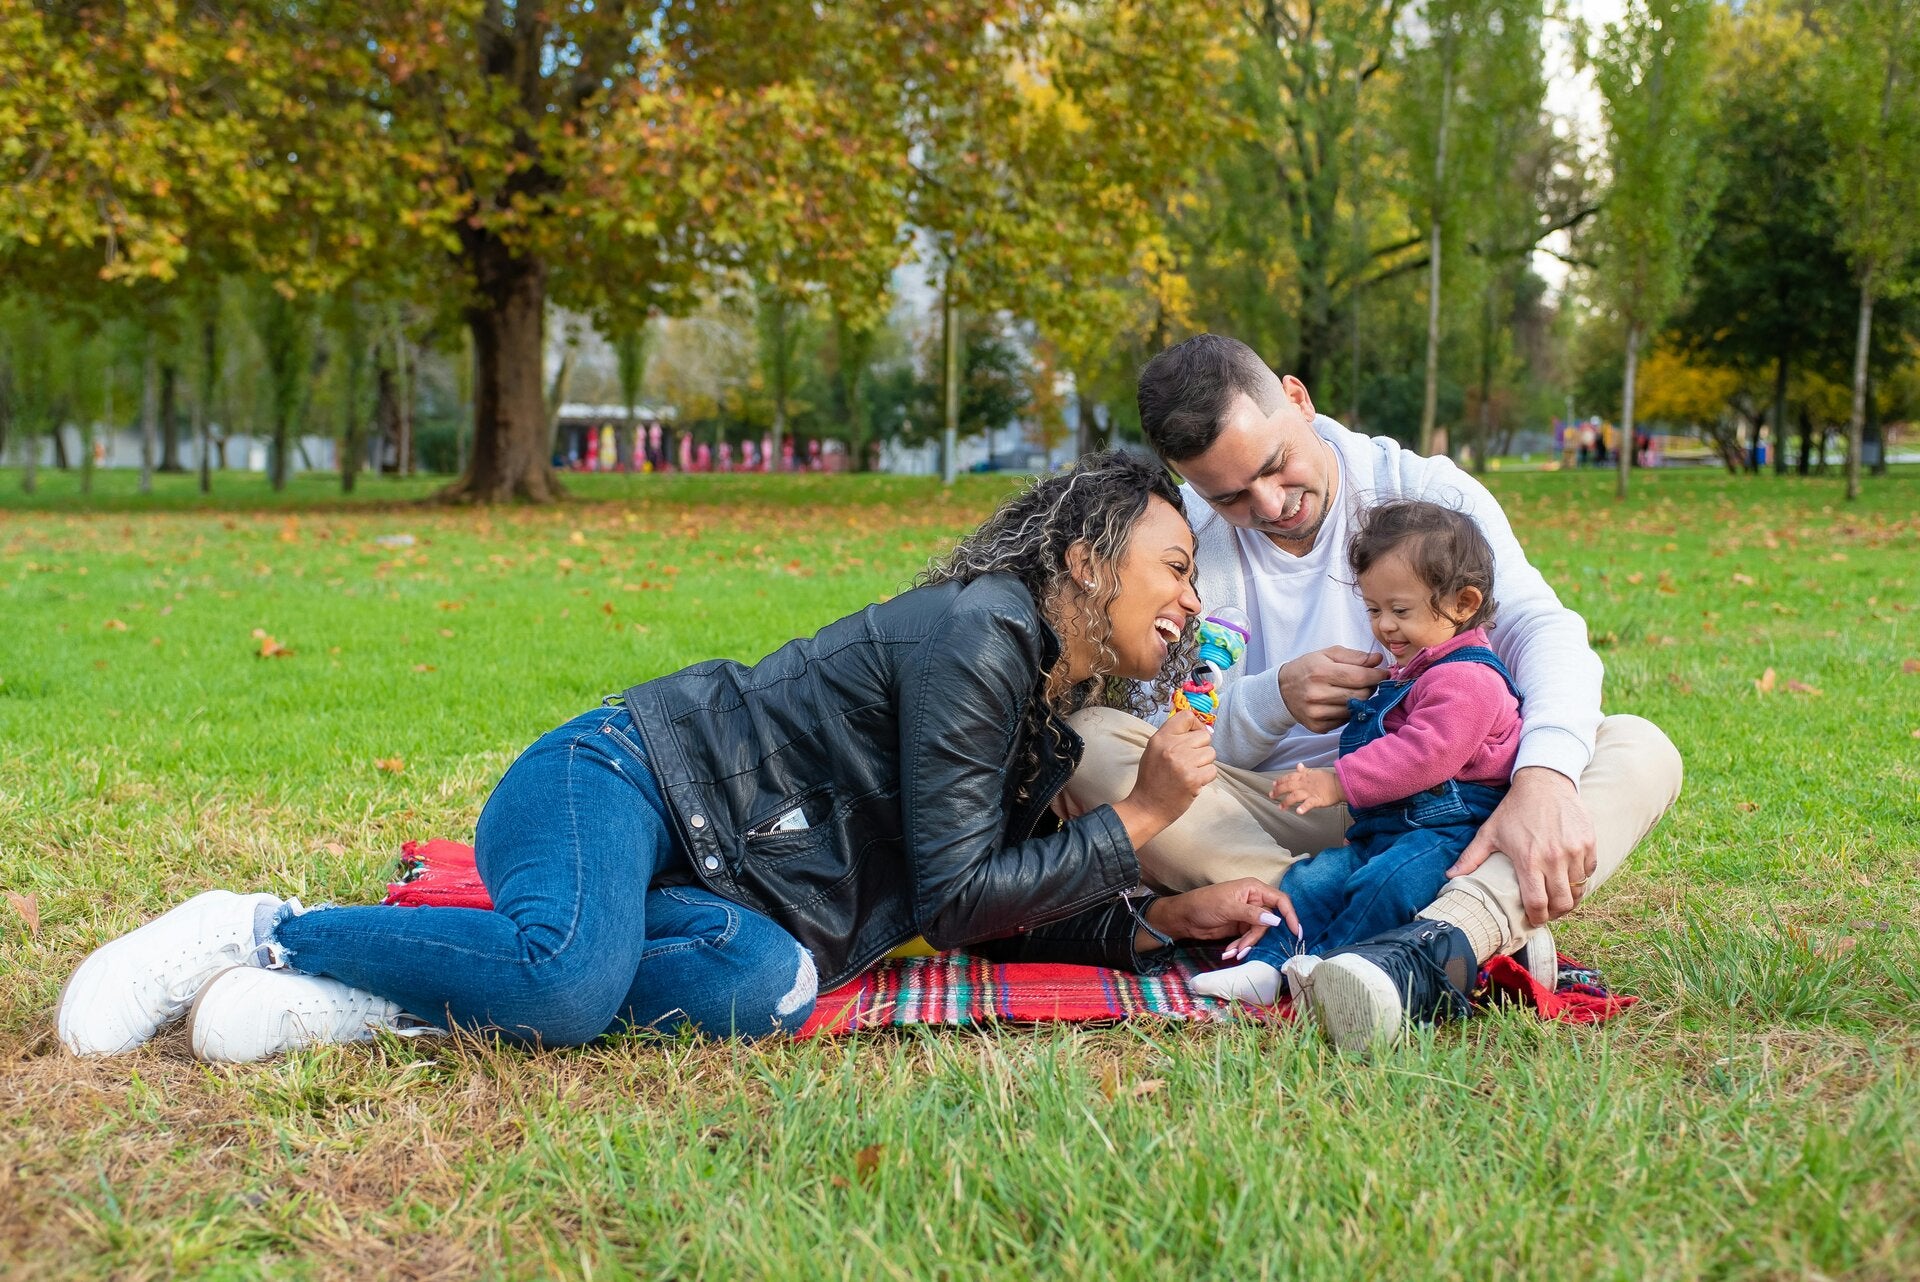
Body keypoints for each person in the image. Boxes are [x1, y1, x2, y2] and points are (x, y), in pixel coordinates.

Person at [58, 453, 1294, 1063]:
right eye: (1176, 566)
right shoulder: (983, 633)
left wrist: (1154, 919)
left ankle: (389, 1000)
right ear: (1084, 560)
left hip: (722, 893)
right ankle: (257, 929)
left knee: (772, 988)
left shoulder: (1042, 710)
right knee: (566, 983)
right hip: (624, 778)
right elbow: (959, 895)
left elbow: (986, 902)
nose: (1191, 599)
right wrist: (1138, 819)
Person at [1060, 336, 1682, 1051]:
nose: (1270, 504)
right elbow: (1154, 717)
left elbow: (1539, 629)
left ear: (1297, 399)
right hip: (1277, 811)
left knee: (1641, 750)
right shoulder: (1181, 543)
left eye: (1274, 465)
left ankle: (1438, 932)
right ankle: (1422, 934)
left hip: (1449, 809)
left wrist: (1542, 778)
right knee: (1087, 746)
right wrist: (1270, 701)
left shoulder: (1424, 490)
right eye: (1228, 496)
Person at [1189, 501, 1522, 1042]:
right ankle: (1267, 966)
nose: (1384, 626)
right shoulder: (1415, 670)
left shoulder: (1468, 680)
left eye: (1400, 610)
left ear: (1463, 604)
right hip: (1386, 828)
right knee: (1313, 879)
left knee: (1383, 885)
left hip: (1448, 833)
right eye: (1373, 609)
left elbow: (1425, 755)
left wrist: (1336, 782)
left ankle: (1328, 968)